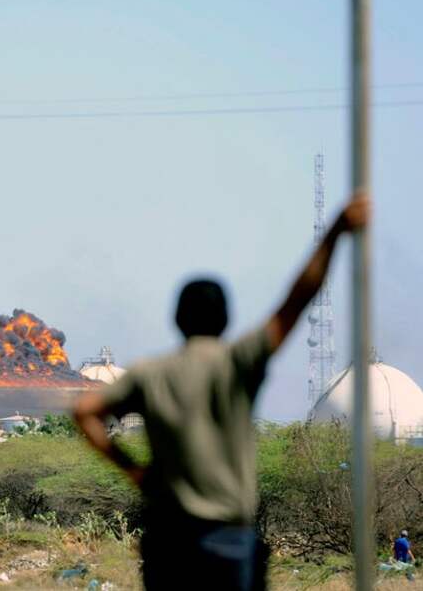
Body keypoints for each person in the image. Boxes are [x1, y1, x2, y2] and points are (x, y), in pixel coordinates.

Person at [73, 192, 370, 590]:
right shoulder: (238, 362)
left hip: (171, 542)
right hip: (230, 540)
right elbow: (296, 301)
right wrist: (334, 232)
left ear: (177, 319)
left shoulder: (150, 374)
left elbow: (84, 410)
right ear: (226, 318)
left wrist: (134, 471)